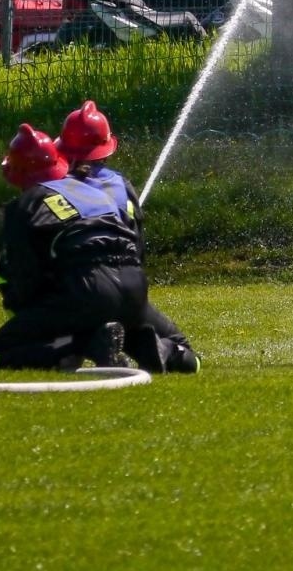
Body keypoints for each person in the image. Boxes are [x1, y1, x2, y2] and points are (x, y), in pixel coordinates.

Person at [0, 123, 144, 372]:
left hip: (82, 292)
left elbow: (25, 274)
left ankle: (80, 345)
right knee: (175, 348)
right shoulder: (93, 192)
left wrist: (30, 313)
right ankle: (169, 353)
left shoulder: (24, 206)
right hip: (134, 287)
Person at [56, 100, 200, 374]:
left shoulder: (55, 189)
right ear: (106, 149)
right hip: (127, 295)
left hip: (76, 296)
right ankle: (161, 349)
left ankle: (82, 344)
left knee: (46, 338)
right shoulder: (122, 186)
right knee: (187, 354)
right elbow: (137, 247)